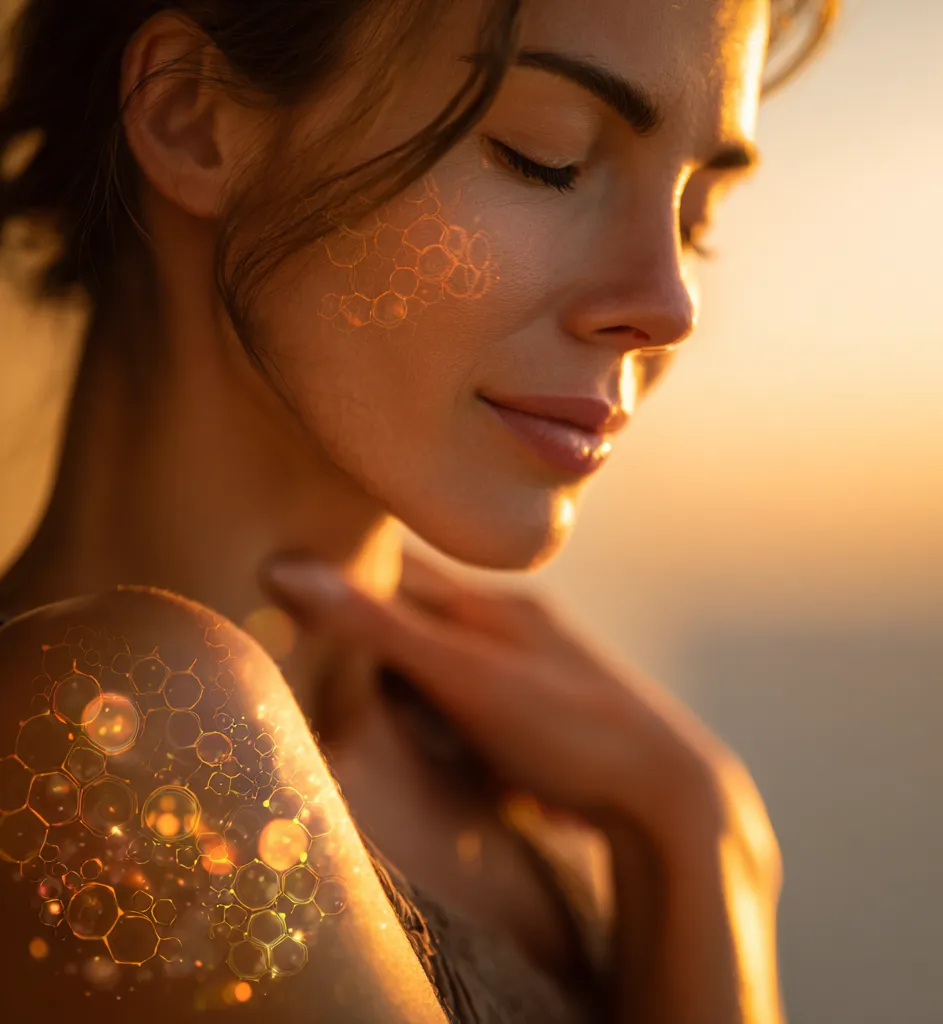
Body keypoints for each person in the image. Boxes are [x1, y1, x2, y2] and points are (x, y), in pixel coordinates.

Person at [0, 0, 838, 1021]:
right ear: (194, 117)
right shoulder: (111, 735)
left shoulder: (546, 808)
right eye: (546, 158)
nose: (668, 306)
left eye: (693, 216)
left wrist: (686, 825)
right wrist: (704, 863)